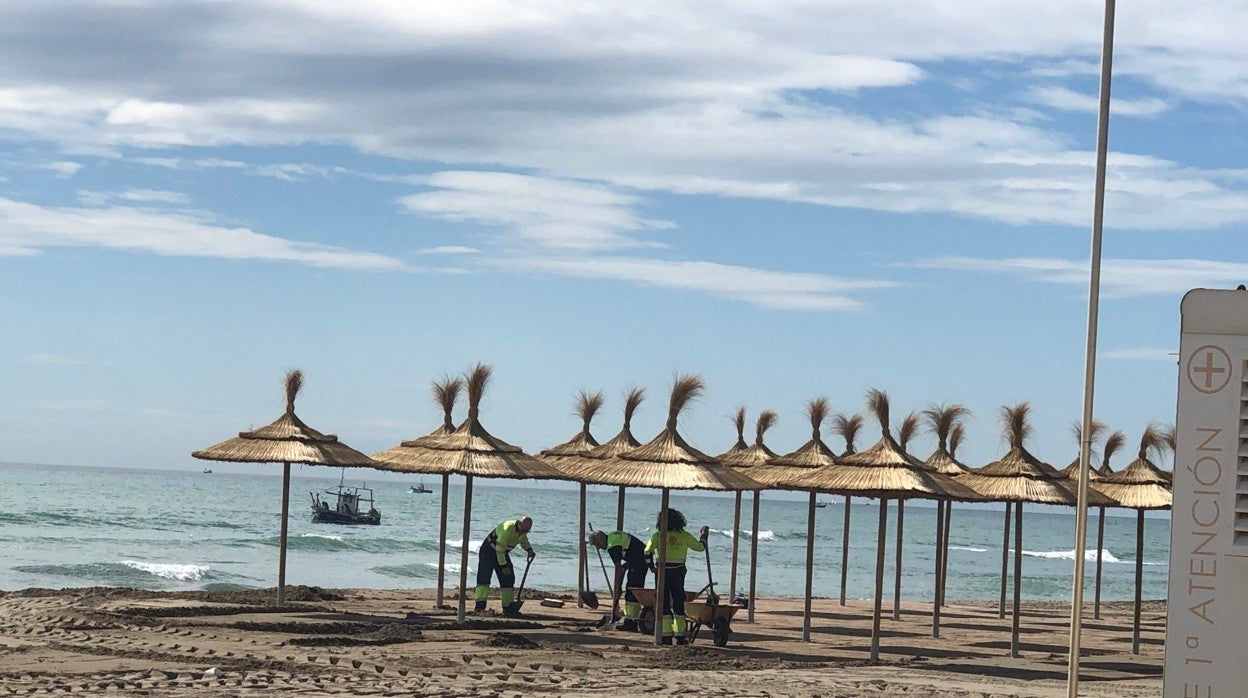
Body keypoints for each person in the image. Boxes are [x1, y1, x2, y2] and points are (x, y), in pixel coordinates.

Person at [644, 509, 708, 645]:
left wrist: (651, 567)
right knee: (679, 603)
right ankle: (680, 636)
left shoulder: (658, 536)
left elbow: (647, 551)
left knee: (664, 603)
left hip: (662, 572)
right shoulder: (684, 536)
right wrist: (704, 535)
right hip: (678, 573)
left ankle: (666, 636)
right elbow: (700, 547)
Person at [474, 516, 536, 617]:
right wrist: (503, 566)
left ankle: (508, 607)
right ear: (519, 524)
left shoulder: (522, 532)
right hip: (489, 550)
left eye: (526, 531)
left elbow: (523, 540)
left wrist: (529, 549)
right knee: (484, 578)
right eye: (523, 530)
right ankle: (479, 607)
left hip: (502, 553)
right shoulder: (507, 529)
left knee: (508, 579)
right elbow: (499, 550)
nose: (524, 533)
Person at [588, 529, 648, 631]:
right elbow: (622, 566)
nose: (598, 548)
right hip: (637, 557)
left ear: (601, 539)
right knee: (631, 588)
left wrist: (618, 587)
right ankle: (631, 620)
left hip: (640, 560)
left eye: (597, 544)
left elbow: (618, 570)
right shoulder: (612, 536)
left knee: (631, 590)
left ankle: (631, 622)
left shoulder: (612, 546)